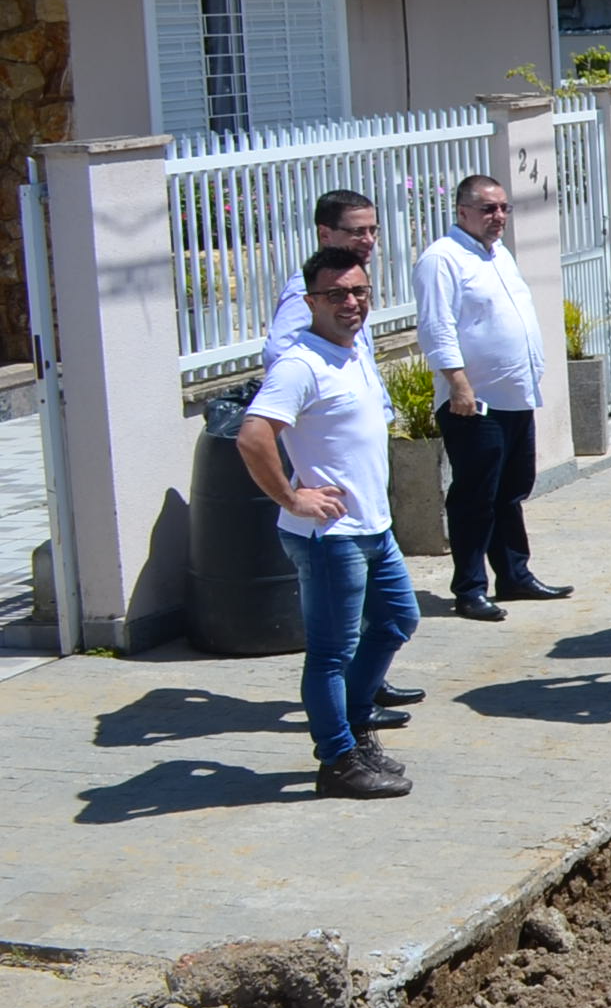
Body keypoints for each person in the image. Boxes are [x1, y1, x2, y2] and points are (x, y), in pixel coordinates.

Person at [237, 244, 417, 799]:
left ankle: (356, 728)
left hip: (372, 529)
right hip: (328, 538)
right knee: (332, 652)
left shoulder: (355, 349)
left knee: (396, 621)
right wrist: (292, 498)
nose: (350, 303)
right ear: (311, 300)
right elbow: (253, 436)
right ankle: (337, 761)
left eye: (359, 292)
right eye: (335, 294)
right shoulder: (301, 362)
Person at [414, 172, 571, 621]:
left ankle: (514, 575)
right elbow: (436, 326)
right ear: (462, 211)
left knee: (511, 490)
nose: (498, 216)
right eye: (488, 209)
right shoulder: (442, 259)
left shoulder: (498, 254)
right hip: (474, 401)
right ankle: (469, 586)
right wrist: (459, 383)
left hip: (516, 396)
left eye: (503, 208)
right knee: (475, 495)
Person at [263, 190, 379, 360]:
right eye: (358, 232)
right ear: (324, 234)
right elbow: (277, 353)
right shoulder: (308, 287)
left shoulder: (351, 280)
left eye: (373, 230)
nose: (369, 240)